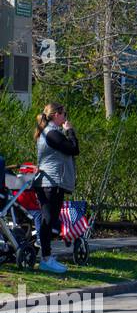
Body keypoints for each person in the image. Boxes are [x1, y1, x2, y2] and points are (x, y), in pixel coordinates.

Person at [33, 102, 79, 274]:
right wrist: (70, 131)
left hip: (50, 182)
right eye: (63, 113)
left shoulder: (50, 132)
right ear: (55, 115)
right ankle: (46, 258)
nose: (65, 117)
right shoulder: (52, 133)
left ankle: (45, 253)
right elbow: (74, 149)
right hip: (50, 183)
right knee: (48, 220)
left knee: (49, 220)